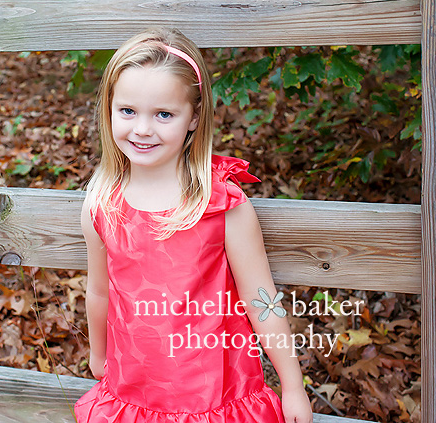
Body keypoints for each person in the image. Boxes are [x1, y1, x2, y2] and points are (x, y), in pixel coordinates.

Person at [74, 28, 313, 423]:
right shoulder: (102, 204)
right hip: (133, 393)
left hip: (215, 399)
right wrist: (98, 353)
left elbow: (262, 302)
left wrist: (293, 387)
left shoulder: (221, 205)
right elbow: (99, 291)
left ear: (193, 118)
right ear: (109, 110)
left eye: (163, 114)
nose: (143, 129)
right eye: (128, 111)